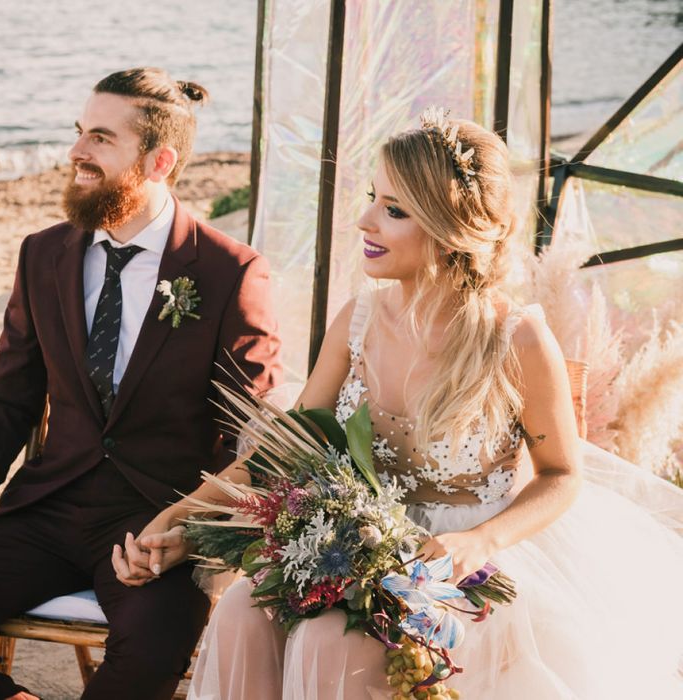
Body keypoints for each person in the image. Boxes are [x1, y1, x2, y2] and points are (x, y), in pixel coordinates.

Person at [141, 110, 683, 699]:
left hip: (464, 559)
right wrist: (185, 518)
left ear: (451, 228)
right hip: (349, 542)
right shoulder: (358, 320)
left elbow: (561, 475)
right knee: (243, 609)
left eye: (394, 210)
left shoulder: (516, 337)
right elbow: (286, 451)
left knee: (331, 643)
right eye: (374, 198)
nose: (364, 220)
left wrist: (480, 542)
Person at [0, 67, 282, 700]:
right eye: (80, 132)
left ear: (159, 160)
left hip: (155, 525)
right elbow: (9, 398)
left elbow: (247, 432)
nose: (76, 153)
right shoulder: (43, 255)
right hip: (45, 509)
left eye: (101, 139)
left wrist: (188, 531)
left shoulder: (230, 271)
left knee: (146, 662)